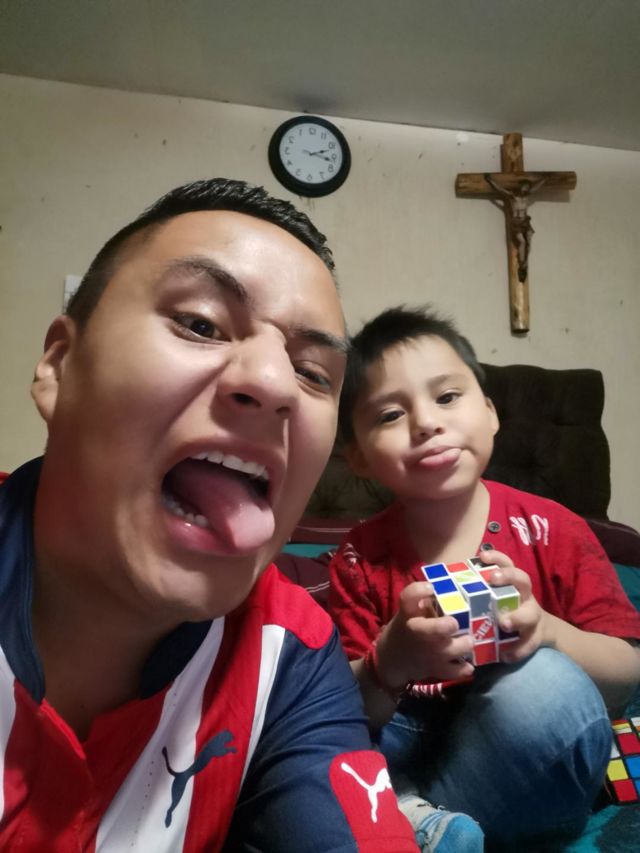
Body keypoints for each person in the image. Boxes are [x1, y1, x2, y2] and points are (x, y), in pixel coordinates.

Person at [0, 179, 420, 851]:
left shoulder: (290, 651)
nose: (276, 383)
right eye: (201, 324)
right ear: (59, 364)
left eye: (314, 373)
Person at [329, 304, 640, 850]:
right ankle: (416, 818)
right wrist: (389, 661)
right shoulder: (359, 558)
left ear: (492, 413)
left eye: (447, 397)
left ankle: (409, 818)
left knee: (547, 690)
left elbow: (627, 672)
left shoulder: (554, 529)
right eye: (390, 414)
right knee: (303, 725)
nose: (427, 423)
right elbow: (343, 716)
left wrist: (548, 632)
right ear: (357, 457)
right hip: (403, 743)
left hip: (516, 761)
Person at [484, 173, 548, 282]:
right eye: (524, 186)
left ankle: (524, 263)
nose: (526, 189)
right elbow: (500, 189)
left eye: (527, 187)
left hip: (525, 221)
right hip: (516, 223)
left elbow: (536, 187)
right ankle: (522, 264)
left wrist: (544, 179)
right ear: (520, 187)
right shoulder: (512, 196)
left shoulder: (527, 196)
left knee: (529, 240)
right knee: (522, 242)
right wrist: (490, 181)